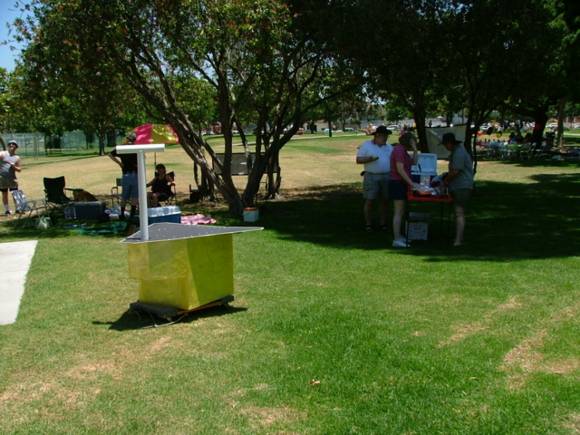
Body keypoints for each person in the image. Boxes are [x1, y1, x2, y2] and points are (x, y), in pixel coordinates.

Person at [356, 126, 393, 231]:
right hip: (371, 176)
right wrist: (370, 159)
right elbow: (358, 160)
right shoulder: (366, 145)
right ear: (377, 136)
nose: (386, 138)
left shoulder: (389, 147)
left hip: (387, 176)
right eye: (384, 136)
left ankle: (383, 223)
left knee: (385, 201)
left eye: (387, 136)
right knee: (370, 200)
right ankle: (368, 223)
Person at [442, 132, 474, 247]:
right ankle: (457, 237)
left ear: (449, 143)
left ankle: (458, 240)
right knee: (457, 213)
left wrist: (446, 181)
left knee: (459, 213)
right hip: (458, 186)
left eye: (445, 145)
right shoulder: (457, 151)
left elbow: (456, 171)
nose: (445, 147)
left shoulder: (459, 152)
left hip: (462, 186)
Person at [389, 132, 419, 248]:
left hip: (402, 183)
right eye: (413, 141)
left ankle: (399, 236)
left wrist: (415, 150)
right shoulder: (399, 150)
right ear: (408, 141)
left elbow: (414, 162)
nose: (415, 142)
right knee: (398, 212)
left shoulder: (404, 151)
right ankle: (396, 239)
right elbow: (400, 169)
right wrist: (411, 184)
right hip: (397, 183)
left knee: (401, 211)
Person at [109, 132, 138, 220]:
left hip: (125, 175)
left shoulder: (121, 148)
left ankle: (122, 214)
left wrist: (120, 163)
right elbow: (143, 158)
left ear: (127, 139)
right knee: (134, 196)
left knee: (124, 196)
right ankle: (132, 215)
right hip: (135, 174)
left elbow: (110, 154)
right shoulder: (136, 148)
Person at [0, 140, 22, 215]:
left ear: (16, 147)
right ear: (8, 146)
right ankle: (7, 210)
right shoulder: (2, 153)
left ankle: (18, 209)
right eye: (10, 144)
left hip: (12, 178)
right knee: (4, 194)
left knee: (15, 194)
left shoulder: (17, 157)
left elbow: (19, 169)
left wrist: (14, 166)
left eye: (14, 144)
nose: (11, 145)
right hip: (2, 178)